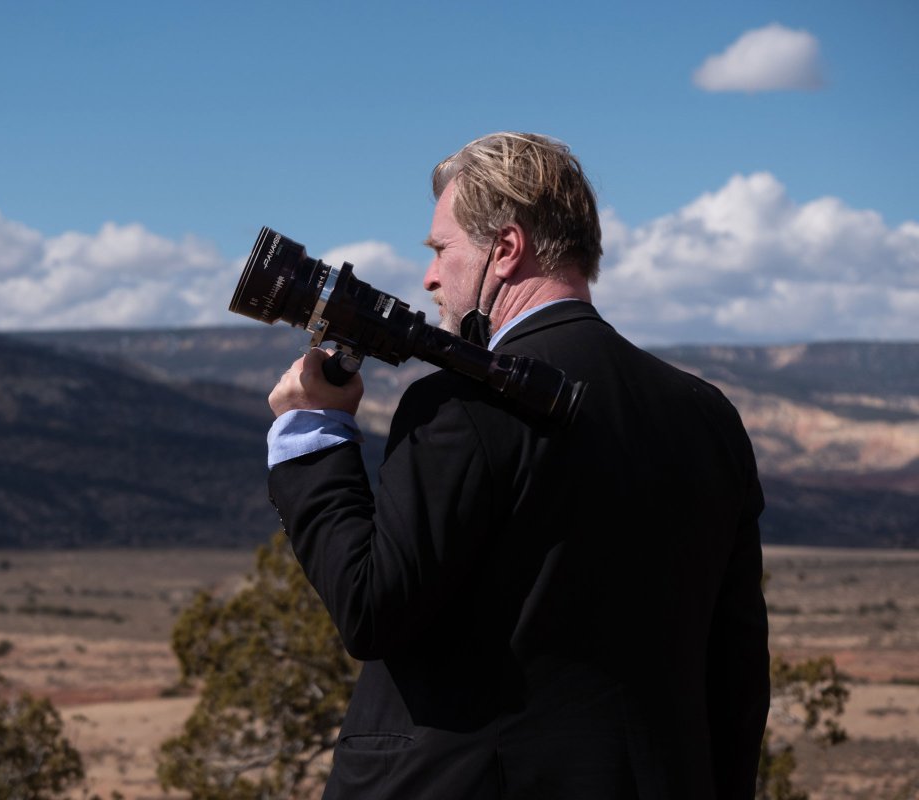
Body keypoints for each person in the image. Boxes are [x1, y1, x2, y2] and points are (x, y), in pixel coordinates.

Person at [266, 132, 769, 799]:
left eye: (441, 250)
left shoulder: (460, 404)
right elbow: (737, 669)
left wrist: (314, 434)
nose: (429, 277)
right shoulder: (707, 415)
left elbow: (371, 608)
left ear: (504, 250)